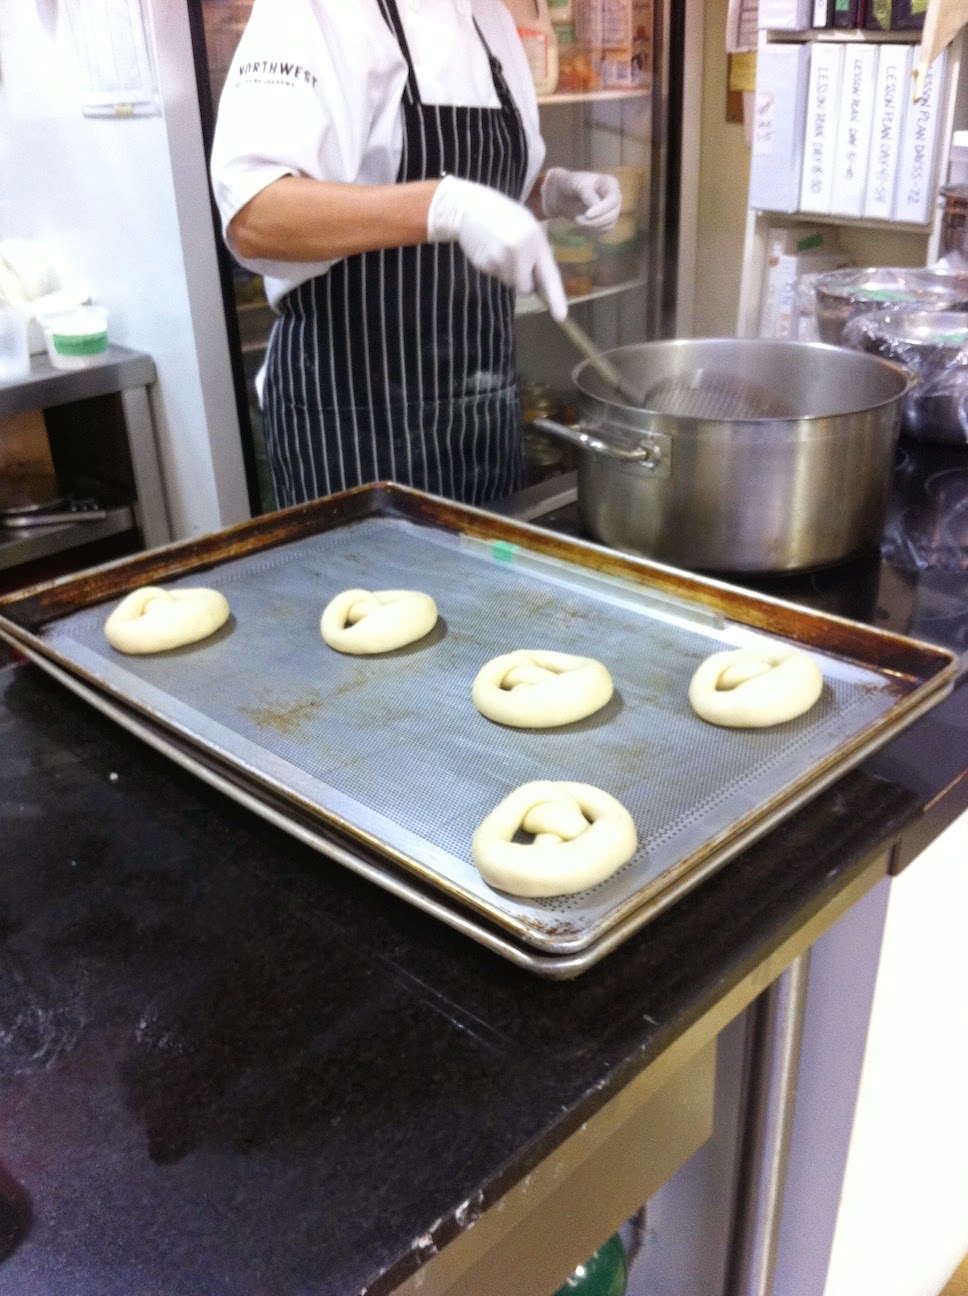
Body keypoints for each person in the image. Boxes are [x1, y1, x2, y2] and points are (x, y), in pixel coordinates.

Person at [210, 0, 621, 509]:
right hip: (354, 423)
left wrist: (549, 192)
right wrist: (445, 205)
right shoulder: (320, 11)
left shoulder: (488, 16)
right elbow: (256, 215)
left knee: (489, 587)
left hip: (482, 411)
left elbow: (473, 189)